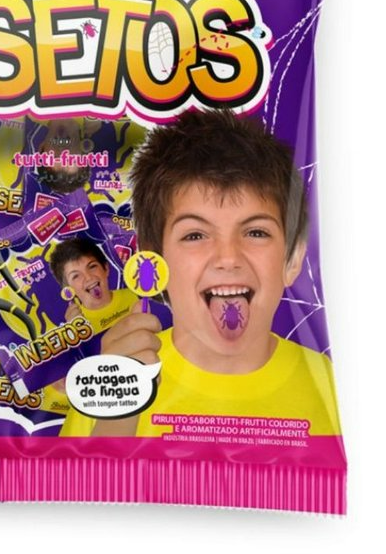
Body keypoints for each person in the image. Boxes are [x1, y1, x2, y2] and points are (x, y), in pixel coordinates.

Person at [60, 110, 342, 438]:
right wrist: (117, 411)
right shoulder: (113, 383)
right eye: (195, 235)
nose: (228, 258)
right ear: (152, 261)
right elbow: (83, 472)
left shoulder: (333, 387)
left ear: (292, 259)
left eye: (256, 232)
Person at [48, 237, 136, 333]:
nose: (88, 277)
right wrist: (75, 336)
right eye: (76, 276)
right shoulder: (76, 325)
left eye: (92, 266)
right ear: (68, 289)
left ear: (106, 268)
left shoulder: (136, 296)